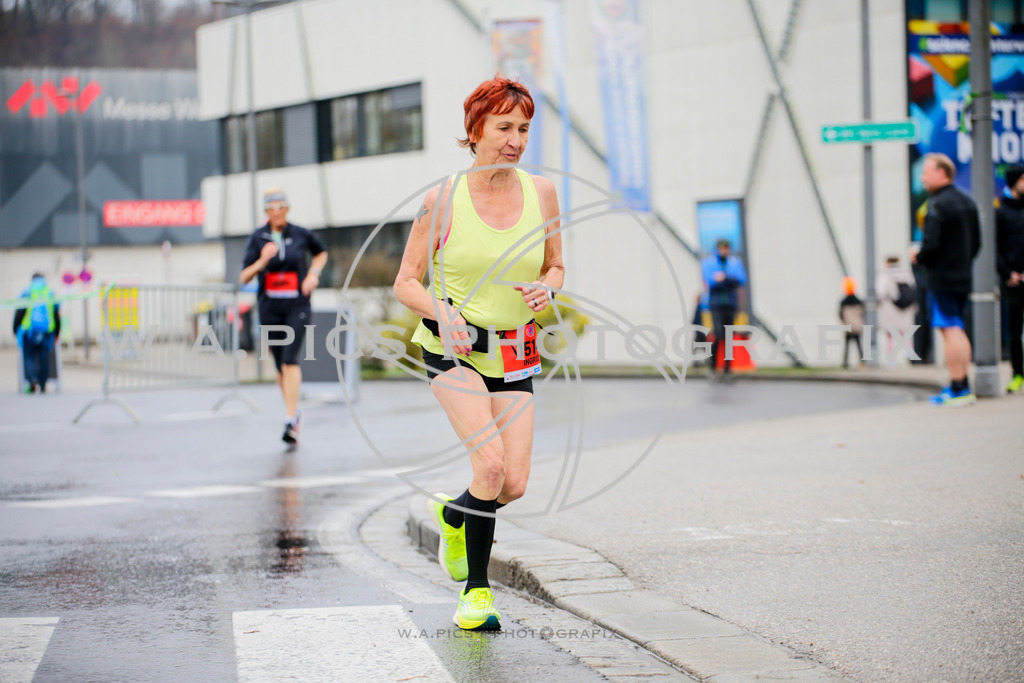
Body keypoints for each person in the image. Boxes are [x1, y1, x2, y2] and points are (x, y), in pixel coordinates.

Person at [393, 76, 564, 631]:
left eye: (523, 129)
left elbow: (554, 264)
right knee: (488, 465)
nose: (515, 140)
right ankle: (476, 594)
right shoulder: (441, 199)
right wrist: (442, 312)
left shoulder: (542, 194)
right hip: (453, 349)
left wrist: (551, 286)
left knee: (511, 482)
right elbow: (406, 282)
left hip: (514, 351)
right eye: (504, 127)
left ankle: (452, 513)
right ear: (475, 131)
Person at [240, 188, 328, 444]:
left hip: (297, 305)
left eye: (281, 206)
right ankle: (294, 412)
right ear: (266, 212)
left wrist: (313, 275)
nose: (277, 212)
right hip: (269, 307)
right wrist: (260, 262)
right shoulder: (258, 238)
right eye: (271, 208)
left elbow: (321, 253)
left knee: (290, 359)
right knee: (280, 367)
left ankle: (290, 419)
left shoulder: (301, 234)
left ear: (287, 209)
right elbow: (243, 276)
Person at [911, 152, 981, 406]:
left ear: (941, 173)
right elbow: (976, 243)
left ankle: (957, 387)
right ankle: (964, 385)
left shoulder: (937, 205)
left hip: (941, 278)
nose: (923, 178)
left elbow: (930, 246)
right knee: (958, 328)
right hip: (962, 275)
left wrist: (918, 256)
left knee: (949, 329)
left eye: (926, 172)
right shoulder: (967, 201)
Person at [700, 238, 747, 381]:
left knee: (728, 337)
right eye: (721, 248)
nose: (724, 251)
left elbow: (741, 279)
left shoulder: (734, 262)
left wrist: (724, 279)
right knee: (719, 335)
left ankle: (727, 369)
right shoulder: (709, 262)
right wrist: (728, 281)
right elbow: (711, 281)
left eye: (726, 248)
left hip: (731, 304)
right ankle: (713, 366)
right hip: (716, 304)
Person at [996, 165, 1024, 393]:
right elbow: (995, 248)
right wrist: (1007, 274)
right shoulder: (1001, 211)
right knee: (1015, 330)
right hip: (1013, 281)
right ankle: (1018, 374)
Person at [12, 272, 61, 393]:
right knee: (44, 358)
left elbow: (19, 312)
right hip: (46, 332)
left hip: (29, 332)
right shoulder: (49, 292)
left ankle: (32, 379)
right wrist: (57, 332)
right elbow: (56, 314)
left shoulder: (27, 292)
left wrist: (15, 329)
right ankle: (43, 384)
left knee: (29, 357)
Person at [876, 256, 918, 369]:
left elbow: (881, 293)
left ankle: (891, 360)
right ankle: (907, 350)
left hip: (890, 310)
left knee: (890, 336)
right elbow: (913, 290)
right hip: (906, 310)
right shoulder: (906, 274)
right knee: (905, 333)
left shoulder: (885, 276)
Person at [838, 276, 865, 369]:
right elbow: (862, 313)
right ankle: (862, 362)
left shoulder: (843, 302)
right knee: (859, 345)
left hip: (848, 326)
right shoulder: (859, 301)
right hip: (857, 326)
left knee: (847, 346)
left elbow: (840, 314)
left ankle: (845, 363)